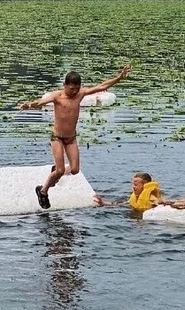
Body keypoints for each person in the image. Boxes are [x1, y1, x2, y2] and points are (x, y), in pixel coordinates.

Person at [19, 65, 132, 209]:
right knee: (60, 171)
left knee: (74, 170)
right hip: (57, 138)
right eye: (71, 88)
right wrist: (28, 105)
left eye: (76, 89)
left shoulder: (80, 94)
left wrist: (119, 78)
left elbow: (101, 86)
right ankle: (43, 191)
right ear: (65, 85)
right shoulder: (57, 96)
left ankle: (55, 172)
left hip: (71, 138)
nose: (74, 91)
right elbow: (40, 103)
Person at [94, 172, 163, 211]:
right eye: (133, 184)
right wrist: (103, 202)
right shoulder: (134, 197)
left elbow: (158, 202)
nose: (133, 187)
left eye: (136, 185)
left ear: (145, 185)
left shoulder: (150, 196)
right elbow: (119, 205)